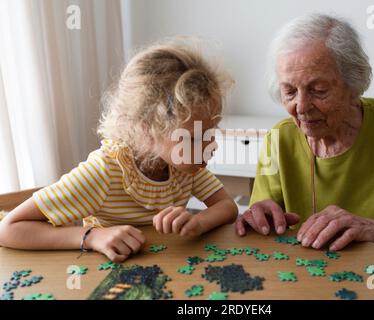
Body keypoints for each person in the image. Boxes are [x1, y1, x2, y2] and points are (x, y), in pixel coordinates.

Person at [0, 38, 238, 262]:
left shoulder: (184, 166)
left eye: (212, 131)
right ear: (146, 129)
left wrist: (199, 222)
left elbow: (227, 207)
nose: (210, 146)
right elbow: (9, 229)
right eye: (194, 139)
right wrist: (92, 237)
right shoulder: (104, 172)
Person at [235, 14, 374, 261]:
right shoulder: (279, 139)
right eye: (290, 91)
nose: (301, 107)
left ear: (354, 85)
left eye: (318, 90)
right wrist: (257, 219)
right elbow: (263, 235)